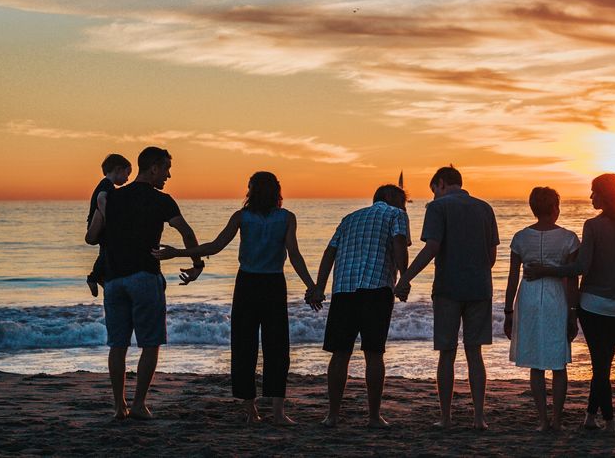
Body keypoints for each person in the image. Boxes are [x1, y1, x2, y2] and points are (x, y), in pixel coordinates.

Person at [154, 171, 316, 424]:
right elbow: (294, 255)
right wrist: (311, 286)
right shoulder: (285, 217)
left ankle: (251, 410)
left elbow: (215, 247)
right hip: (273, 283)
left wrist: (179, 253)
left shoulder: (243, 217)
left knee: (244, 346)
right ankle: (278, 412)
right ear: (277, 191)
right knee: (277, 347)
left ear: (251, 191)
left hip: (248, 284)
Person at [523, 173, 615, 433]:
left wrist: (545, 270)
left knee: (601, 365)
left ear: (606, 195)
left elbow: (580, 266)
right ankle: (590, 415)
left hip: (594, 304)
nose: (590, 197)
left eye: (594, 192)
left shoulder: (593, 226)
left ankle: (609, 421)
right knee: (603, 363)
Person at [84, 146, 205, 421]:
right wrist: (197, 265)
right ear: (153, 168)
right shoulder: (162, 200)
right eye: (166, 169)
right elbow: (186, 232)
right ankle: (138, 404)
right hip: (144, 277)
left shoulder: (111, 197)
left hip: (114, 280)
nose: (169, 175)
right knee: (150, 344)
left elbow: (93, 237)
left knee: (118, 345)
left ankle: (119, 407)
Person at [394, 166, 499, 430]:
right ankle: (478, 418)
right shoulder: (485, 208)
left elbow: (432, 247)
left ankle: (446, 418)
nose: (434, 195)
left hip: (448, 288)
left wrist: (405, 277)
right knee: (475, 354)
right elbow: (492, 257)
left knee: (447, 353)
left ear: (440, 184)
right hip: (480, 288)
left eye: (434, 190)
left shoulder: (437, 208)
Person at [307, 184, 410, 428]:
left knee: (340, 354)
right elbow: (398, 243)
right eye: (402, 200)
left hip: (344, 289)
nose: (405, 205)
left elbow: (329, 252)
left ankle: (332, 415)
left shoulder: (349, 218)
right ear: (388, 197)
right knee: (374, 354)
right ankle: (374, 417)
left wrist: (319, 287)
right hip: (376, 289)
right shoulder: (396, 215)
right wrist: (404, 277)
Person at [502, 187, 580, 432]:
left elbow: (512, 278)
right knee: (558, 363)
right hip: (557, 298)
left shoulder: (520, 238)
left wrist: (508, 312)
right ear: (555, 209)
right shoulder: (568, 238)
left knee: (536, 364)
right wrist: (573, 312)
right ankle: (557, 420)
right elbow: (573, 279)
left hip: (529, 298)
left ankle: (542, 421)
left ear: (533, 208)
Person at [86, 153, 132, 297]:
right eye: (127, 173)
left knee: (106, 251)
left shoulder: (106, 184)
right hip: (99, 225)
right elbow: (101, 199)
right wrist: (111, 219)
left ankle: (99, 276)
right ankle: (94, 277)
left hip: (101, 225)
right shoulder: (107, 185)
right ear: (118, 170)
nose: (127, 178)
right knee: (107, 250)